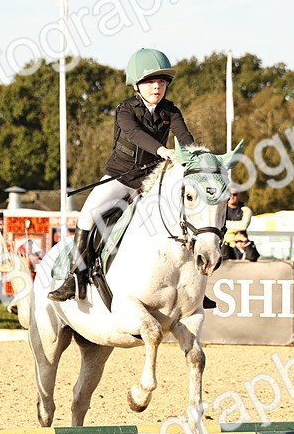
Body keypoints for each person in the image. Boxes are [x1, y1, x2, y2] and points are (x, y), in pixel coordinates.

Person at [48, 48, 195, 301]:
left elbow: (186, 138)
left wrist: (195, 155)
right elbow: (134, 135)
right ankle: (75, 278)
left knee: (186, 216)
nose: (157, 87)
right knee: (88, 216)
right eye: (150, 82)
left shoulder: (172, 111)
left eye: (161, 82)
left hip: (152, 181)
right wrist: (162, 150)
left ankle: (192, 284)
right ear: (136, 85)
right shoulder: (125, 110)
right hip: (121, 178)